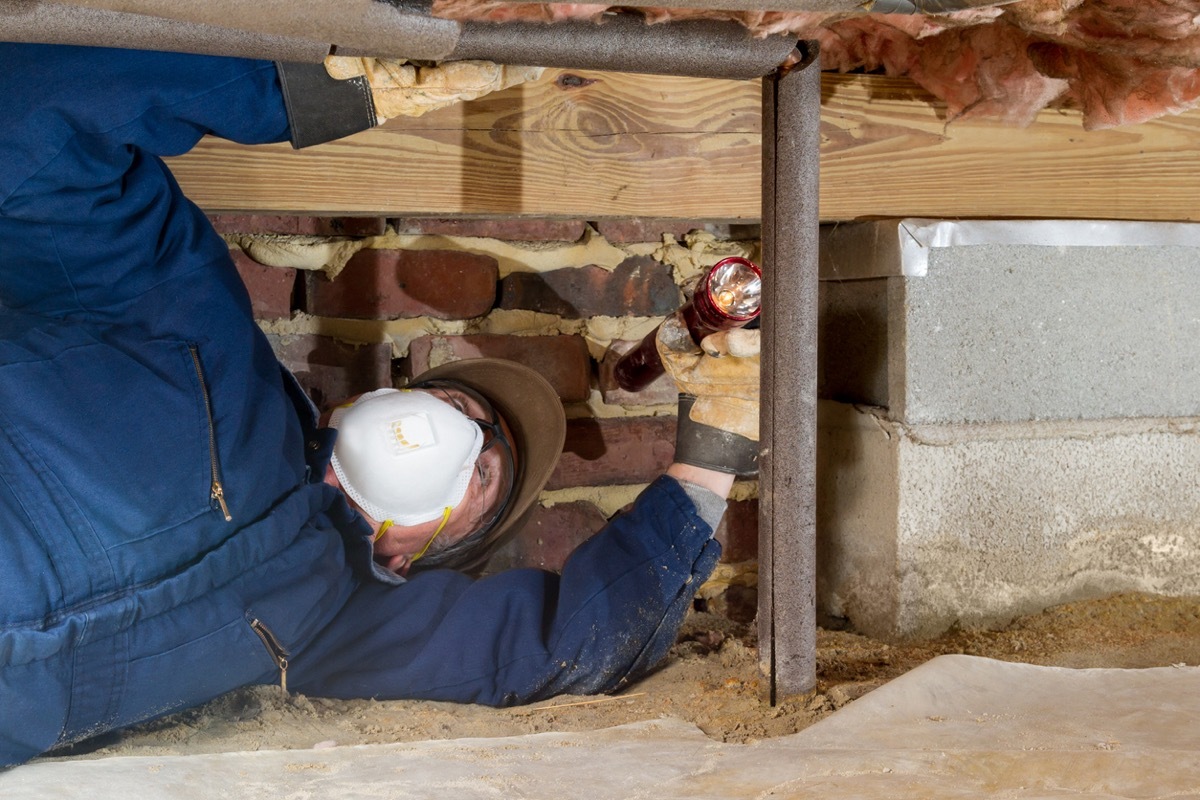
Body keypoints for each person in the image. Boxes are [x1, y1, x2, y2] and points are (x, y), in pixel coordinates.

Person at [0, 43, 760, 767]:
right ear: (354, 406)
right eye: (454, 402)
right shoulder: (199, 330)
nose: (467, 424)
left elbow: (560, 646)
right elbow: (34, 127)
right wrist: (333, 81)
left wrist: (714, 455)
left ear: (411, 556)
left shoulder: (342, 625)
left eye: (484, 470)